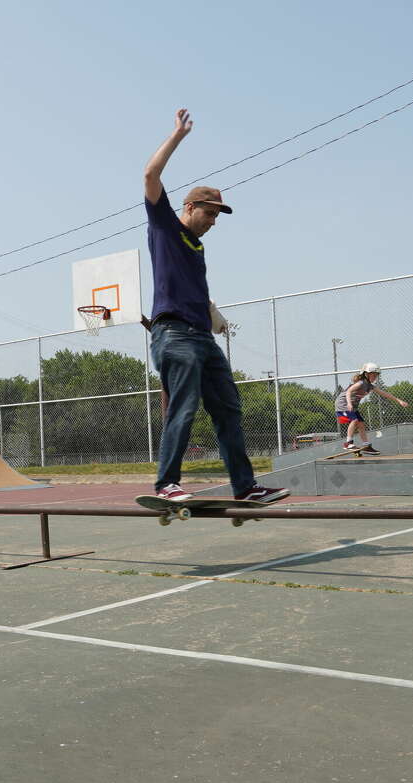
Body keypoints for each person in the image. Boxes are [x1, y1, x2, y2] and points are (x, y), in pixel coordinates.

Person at [143, 108, 288, 503]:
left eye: (217, 216)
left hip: (202, 337)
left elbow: (191, 288)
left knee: (228, 409)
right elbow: (150, 177)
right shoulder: (165, 227)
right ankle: (167, 483)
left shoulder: (198, 247)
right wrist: (177, 137)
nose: (213, 222)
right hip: (173, 335)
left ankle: (246, 486)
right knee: (185, 407)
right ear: (189, 208)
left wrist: (212, 312)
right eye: (209, 213)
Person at [335, 362, 409, 453]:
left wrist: (399, 400)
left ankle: (366, 445)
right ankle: (348, 443)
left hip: (352, 407)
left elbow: (384, 393)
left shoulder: (370, 386)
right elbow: (349, 391)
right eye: (373, 375)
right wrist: (349, 403)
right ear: (366, 374)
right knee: (355, 421)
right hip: (343, 404)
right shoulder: (361, 383)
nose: (375, 377)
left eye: (376, 375)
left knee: (361, 424)